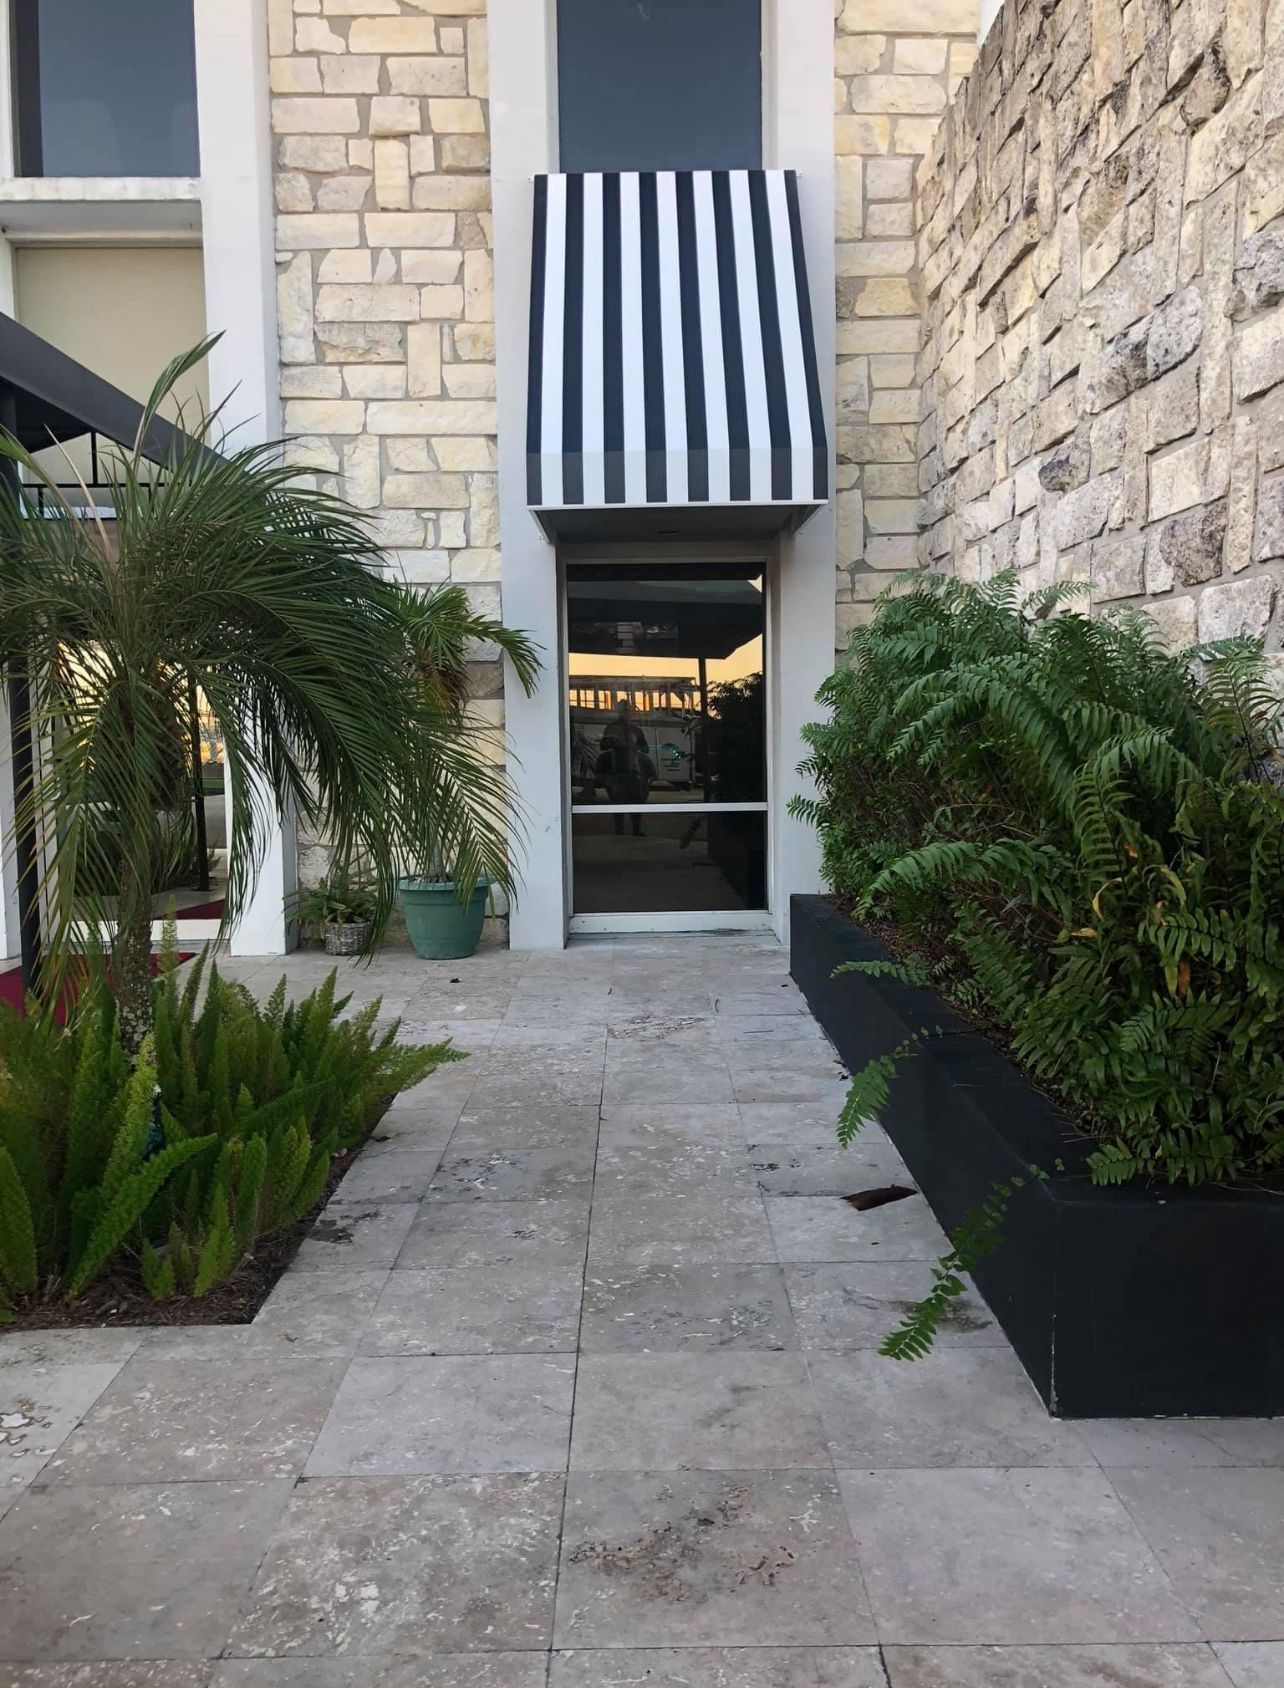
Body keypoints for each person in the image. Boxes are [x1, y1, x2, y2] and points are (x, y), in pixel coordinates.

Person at [596, 699, 654, 836]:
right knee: (618, 802)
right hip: (617, 771)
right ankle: (619, 830)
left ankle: (636, 829)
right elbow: (603, 746)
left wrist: (636, 745)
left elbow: (645, 748)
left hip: (633, 770)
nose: (626, 713)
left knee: (636, 801)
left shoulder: (636, 730)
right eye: (623, 710)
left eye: (628, 710)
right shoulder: (612, 728)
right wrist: (612, 741)